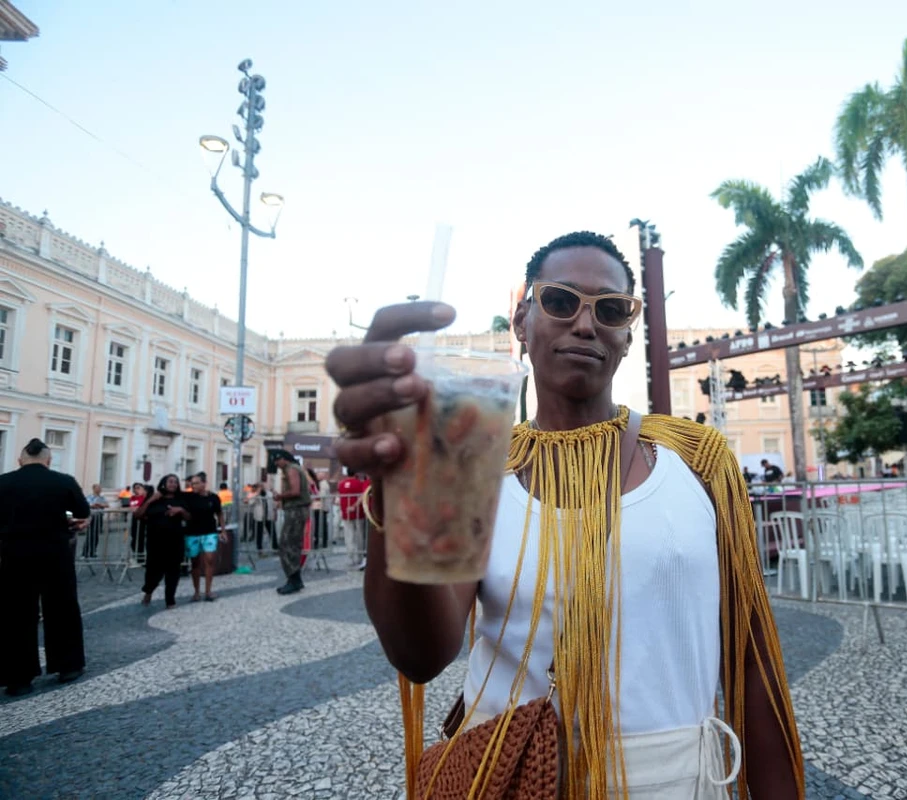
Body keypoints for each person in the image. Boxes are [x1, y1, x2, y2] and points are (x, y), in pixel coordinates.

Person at [327, 231, 804, 797]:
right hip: (513, 777)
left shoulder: (696, 460)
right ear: (521, 324)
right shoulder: (478, 464)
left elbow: (752, 662)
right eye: (559, 301)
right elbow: (421, 653)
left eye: (610, 309)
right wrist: (398, 494)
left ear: (627, 335)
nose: (585, 324)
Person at [0, 438, 91, 696]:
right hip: (55, 553)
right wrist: (68, 520)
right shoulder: (62, 481)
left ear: (20, 460)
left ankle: (18, 677)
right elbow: (81, 510)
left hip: (14, 554)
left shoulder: (3, 483)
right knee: (61, 608)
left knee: (16, 614)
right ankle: (68, 665)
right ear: (48, 460)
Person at [134, 474, 191, 608]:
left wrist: (181, 510)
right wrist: (150, 500)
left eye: (175, 482)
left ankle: (170, 600)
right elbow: (138, 515)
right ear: (163, 483)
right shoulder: (154, 499)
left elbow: (189, 517)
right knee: (154, 570)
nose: (173, 484)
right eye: (170, 481)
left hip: (175, 541)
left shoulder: (180, 499)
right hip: (155, 541)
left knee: (173, 571)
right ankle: (148, 591)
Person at [270, 449, 309, 595]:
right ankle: (296, 579)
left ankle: (293, 580)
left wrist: (280, 496)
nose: (276, 464)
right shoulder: (294, 468)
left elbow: (295, 491)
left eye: (277, 461)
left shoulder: (291, 469)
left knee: (287, 545)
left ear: (283, 459)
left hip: (296, 510)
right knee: (293, 544)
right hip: (297, 509)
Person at [185, 472, 225, 602]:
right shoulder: (188, 497)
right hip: (192, 533)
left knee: (209, 559)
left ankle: (208, 591)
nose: (193, 486)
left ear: (204, 483)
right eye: (192, 484)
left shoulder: (213, 497)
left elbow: (219, 513)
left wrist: (222, 530)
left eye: (196, 483)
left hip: (209, 532)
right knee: (195, 562)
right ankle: (197, 591)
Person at [337, 470, 368, 570]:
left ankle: (351, 557)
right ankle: (359, 556)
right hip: (359, 513)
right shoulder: (360, 483)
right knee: (360, 535)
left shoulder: (341, 484)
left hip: (346, 513)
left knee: (349, 535)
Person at [83, 483, 108, 559]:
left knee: (96, 535)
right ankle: (85, 552)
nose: (99, 490)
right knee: (90, 534)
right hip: (91, 517)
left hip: (99, 517)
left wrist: (100, 505)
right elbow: (86, 504)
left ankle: (93, 551)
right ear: (94, 489)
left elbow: (106, 505)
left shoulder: (102, 498)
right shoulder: (89, 497)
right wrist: (93, 505)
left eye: (100, 488)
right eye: (98, 488)